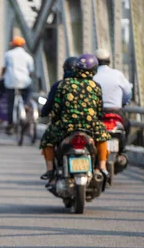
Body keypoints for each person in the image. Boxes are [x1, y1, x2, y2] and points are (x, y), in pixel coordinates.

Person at [39, 53, 111, 181]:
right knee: (103, 138)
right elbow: (99, 110)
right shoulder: (95, 86)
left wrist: (56, 121)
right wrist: (97, 121)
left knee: (47, 140)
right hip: (90, 125)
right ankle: (102, 167)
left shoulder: (64, 84)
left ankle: (50, 169)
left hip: (67, 125)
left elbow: (56, 108)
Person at [93, 48, 133, 140]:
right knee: (126, 125)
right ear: (109, 61)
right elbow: (127, 94)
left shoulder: (92, 76)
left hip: (98, 113)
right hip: (116, 112)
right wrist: (123, 102)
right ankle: (122, 151)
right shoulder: (117, 75)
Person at [2, 36, 34, 125]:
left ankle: (10, 123)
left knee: (10, 103)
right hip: (24, 81)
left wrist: (1, 75)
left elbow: (4, 68)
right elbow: (31, 72)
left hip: (11, 82)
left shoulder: (8, 54)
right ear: (23, 46)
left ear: (13, 45)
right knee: (29, 89)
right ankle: (26, 104)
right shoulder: (28, 56)